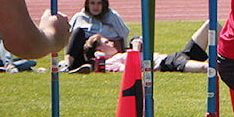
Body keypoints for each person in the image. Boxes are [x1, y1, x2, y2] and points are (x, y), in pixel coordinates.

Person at [72, 21, 219, 74]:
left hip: (177, 55)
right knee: (207, 69)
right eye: (106, 43)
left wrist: (137, 42)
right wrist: (135, 51)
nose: (111, 42)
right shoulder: (112, 62)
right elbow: (130, 71)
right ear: (99, 51)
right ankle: (232, 66)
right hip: (167, 63)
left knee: (210, 24)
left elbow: (143, 40)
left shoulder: (123, 53)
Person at [61, 0, 129, 71]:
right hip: (82, 50)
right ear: (87, 4)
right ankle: (67, 64)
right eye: (92, 3)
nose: (95, 7)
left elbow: (124, 33)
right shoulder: (79, 16)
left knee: (96, 41)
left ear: (104, 4)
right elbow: (70, 37)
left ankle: (91, 65)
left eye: (99, 3)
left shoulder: (112, 16)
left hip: (102, 52)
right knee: (78, 31)